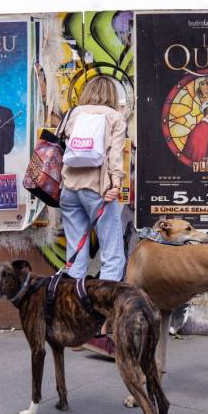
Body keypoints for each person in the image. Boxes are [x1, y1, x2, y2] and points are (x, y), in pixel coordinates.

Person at [60, 75, 126, 356]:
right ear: (111, 94)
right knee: (113, 255)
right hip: (97, 190)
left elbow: (61, 145)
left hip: (68, 190)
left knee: (76, 258)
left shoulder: (73, 114)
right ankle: (99, 327)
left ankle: (75, 325)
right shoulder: (115, 117)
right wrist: (116, 184)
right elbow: (114, 154)